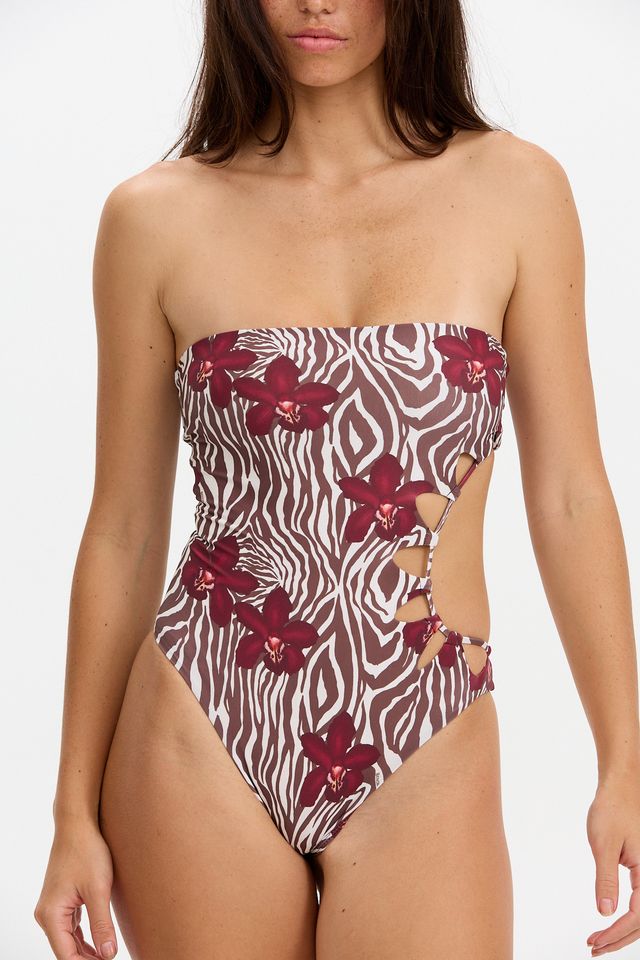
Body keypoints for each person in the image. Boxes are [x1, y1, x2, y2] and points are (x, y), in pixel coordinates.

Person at [34, 2, 640, 958]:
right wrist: (71, 809)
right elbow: (123, 529)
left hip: (426, 719)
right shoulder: (154, 216)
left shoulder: (516, 190)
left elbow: (571, 495)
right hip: (203, 715)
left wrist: (625, 761)